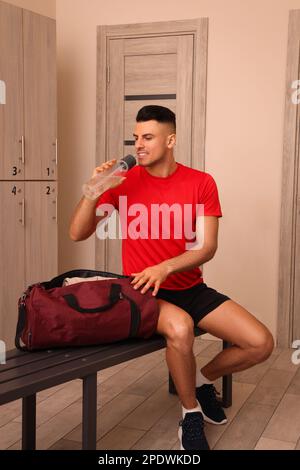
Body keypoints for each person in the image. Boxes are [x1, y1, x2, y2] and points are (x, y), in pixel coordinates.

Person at [69, 105, 274, 450]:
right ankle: (190, 413)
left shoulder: (201, 183)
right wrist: (91, 192)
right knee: (180, 330)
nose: (139, 145)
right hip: (144, 293)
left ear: (171, 140)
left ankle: (200, 380)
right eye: (136, 138)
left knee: (261, 343)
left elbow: (207, 248)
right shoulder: (123, 183)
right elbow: (77, 233)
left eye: (148, 137)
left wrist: (165, 266)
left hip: (190, 287)